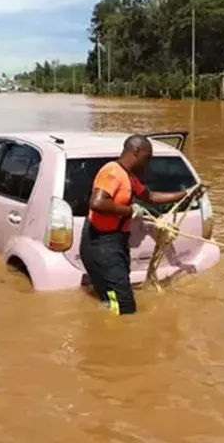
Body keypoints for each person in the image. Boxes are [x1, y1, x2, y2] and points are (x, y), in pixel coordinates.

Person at [81, 134, 199, 316]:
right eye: (147, 158)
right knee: (126, 306)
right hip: (102, 243)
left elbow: (151, 197)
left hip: (114, 242)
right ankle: (117, 333)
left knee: (112, 297)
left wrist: (185, 194)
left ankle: (105, 320)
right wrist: (130, 211)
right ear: (135, 151)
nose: (148, 163)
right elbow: (97, 203)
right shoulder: (112, 172)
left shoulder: (129, 177)